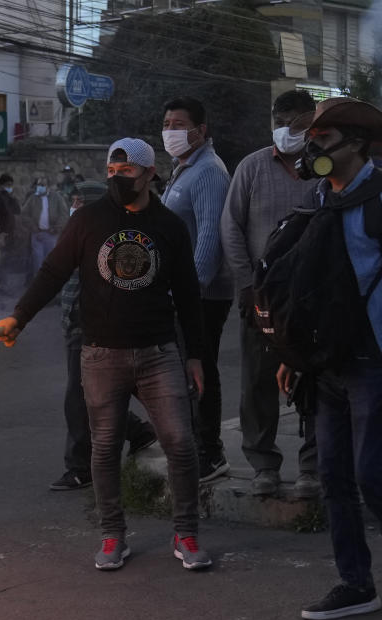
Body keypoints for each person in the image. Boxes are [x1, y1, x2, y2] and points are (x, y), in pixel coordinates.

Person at [0, 138, 209, 571]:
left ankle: (186, 534)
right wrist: (19, 315)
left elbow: (188, 294)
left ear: (149, 174)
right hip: (100, 354)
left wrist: (196, 356)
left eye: (126, 173)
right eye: (112, 173)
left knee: (181, 444)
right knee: (105, 447)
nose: (117, 181)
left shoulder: (169, 226)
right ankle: (113, 536)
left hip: (158, 352)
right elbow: (53, 272)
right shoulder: (87, 221)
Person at [274, 97, 382, 620]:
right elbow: (308, 288)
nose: (312, 145)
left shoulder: (379, 199)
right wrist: (296, 355)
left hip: (373, 362)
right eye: (310, 137)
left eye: (323, 136)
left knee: (372, 474)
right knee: (335, 477)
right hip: (329, 364)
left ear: (357, 144)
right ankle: (356, 583)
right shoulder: (318, 201)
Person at [220, 89, 321, 498]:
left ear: (311, 126)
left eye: (295, 124)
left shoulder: (324, 167)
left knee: (315, 381)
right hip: (262, 296)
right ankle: (263, 463)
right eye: (279, 123)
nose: (285, 131)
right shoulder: (252, 167)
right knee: (258, 382)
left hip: (314, 298)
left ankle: (313, 466)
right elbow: (231, 229)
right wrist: (245, 285)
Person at [51, 184, 157, 491]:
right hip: (77, 327)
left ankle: (80, 467)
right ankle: (137, 432)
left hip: (96, 329)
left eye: (79, 202)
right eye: (73, 201)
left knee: (81, 396)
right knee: (96, 393)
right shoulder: (76, 232)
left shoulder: (110, 241)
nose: (73, 207)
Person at [160, 96, 233, 483]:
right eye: (167, 123)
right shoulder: (183, 168)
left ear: (201, 131)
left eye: (178, 124)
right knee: (184, 370)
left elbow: (209, 235)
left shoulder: (208, 172)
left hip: (202, 295)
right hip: (182, 291)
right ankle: (193, 446)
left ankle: (210, 452)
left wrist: (191, 292)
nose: (170, 130)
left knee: (201, 368)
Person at [21, 177, 69, 281]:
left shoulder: (56, 197)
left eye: (42, 185)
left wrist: (57, 228)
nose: (40, 187)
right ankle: (38, 287)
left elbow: (64, 214)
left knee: (51, 261)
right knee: (37, 262)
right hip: (37, 234)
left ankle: (51, 286)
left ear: (48, 186)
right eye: (39, 184)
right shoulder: (33, 198)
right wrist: (32, 226)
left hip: (51, 235)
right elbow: (24, 214)